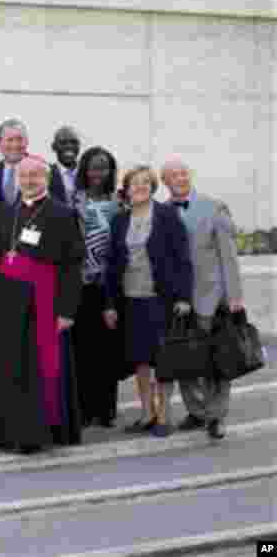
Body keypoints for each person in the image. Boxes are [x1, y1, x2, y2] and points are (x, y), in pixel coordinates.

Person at [0, 156, 85, 452]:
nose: (29, 181)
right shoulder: (7, 212)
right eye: (24, 176)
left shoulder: (63, 213)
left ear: (46, 179)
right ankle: (6, 430)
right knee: (10, 365)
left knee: (38, 369)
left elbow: (73, 266)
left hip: (43, 300)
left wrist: (67, 311)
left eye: (35, 175)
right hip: (7, 302)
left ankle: (37, 432)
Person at [103, 166, 192, 438]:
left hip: (161, 299)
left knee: (163, 360)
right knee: (140, 360)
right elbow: (111, 264)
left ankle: (164, 414)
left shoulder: (167, 216)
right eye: (134, 183)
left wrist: (184, 296)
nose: (139, 187)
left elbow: (182, 259)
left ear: (152, 187)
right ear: (126, 190)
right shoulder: (119, 220)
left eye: (145, 183)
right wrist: (109, 304)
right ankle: (146, 413)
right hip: (130, 299)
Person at [161, 157, 244, 440]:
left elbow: (228, 257)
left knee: (216, 361)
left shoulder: (214, 208)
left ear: (190, 176)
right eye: (173, 175)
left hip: (212, 297)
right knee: (183, 359)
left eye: (184, 173)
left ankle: (217, 417)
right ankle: (197, 411)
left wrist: (235, 297)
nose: (180, 178)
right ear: (165, 182)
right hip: (178, 302)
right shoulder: (160, 212)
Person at [70, 147, 123, 428]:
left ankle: (106, 410)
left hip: (110, 284)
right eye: (93, 167)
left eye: (104, 167)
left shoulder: (119, 201)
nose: (98, 173)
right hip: (82, 282)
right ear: (84, 170)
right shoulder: (75, 201)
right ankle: (85, 409)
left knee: (107, 349)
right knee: (83, 347)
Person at [0, 118, 30, 205]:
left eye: (19, 139)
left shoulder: (43, 170)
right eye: (10, 140)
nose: (15, 144)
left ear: (27, 141)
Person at [50, 126, 81, 206]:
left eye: (74, 142)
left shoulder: (89, 173)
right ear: (53, 146)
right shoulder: (45, 175)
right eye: (63, 143)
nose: (69, 146)